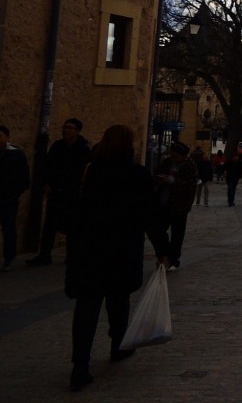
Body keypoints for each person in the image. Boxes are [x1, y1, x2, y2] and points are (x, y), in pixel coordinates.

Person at [64, 124, 164, 391]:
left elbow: (76, 209)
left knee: (87, 307)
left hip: (91, 249)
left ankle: (80, 363)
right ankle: (118, 344)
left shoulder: (91, 171)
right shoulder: (137, 175)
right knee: (118, 301)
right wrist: (162, 249)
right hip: (121, 249)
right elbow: (150, 215)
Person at [28, 118, 91, 266]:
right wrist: (46, 184)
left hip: (73, 194)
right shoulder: (58, 147)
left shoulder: (83, 149)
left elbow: (83, 172)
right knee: (50, 224)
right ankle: (45, 254)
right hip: (56, 192)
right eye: (65, 127)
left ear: (77, 131)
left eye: (70, 128)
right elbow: (47, 166)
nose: (66, 130)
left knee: (73, 226)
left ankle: (71, 255)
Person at [152, 142, 197, 272]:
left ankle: (173, 260)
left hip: (180, 206)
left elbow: (190, 185)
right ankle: (163, 255)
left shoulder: (189, 166)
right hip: (163, 203)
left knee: (177, 234)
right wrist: (160, 179)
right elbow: (156, 174)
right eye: (172, 155)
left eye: (176, 156)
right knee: (158, 231)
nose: (174, 158)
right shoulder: (167, 162)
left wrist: (173, 181)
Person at [0, 125, 30, 272]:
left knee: (8, 228)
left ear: (7, 138)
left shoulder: (16, 155)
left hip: (8, 198)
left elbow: (24, 178)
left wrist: (14, 193)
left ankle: (9, 257)